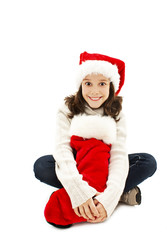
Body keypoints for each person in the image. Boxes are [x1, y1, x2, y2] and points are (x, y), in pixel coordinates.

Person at [33, 51, 157, 228]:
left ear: (111, 86)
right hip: (78, 165)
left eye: (102, 83)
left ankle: (107, 195)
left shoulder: (117, 114)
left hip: (104, 166)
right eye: (88, 83)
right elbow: (62, 149)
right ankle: (107, 194)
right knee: (42, 166)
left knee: (147, 162)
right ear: (80, 85)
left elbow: (119, 156)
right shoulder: (67, 109)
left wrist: (109, 197)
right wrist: (79, 191)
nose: (95, 91)